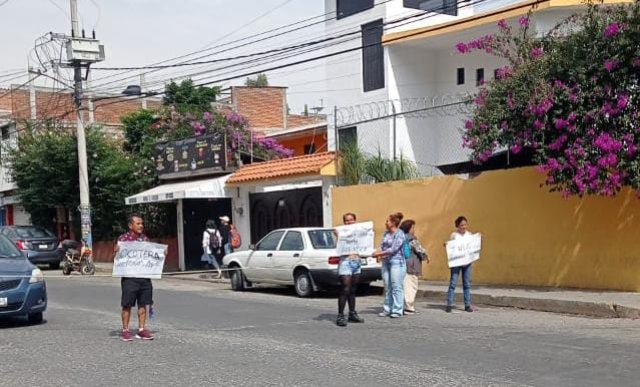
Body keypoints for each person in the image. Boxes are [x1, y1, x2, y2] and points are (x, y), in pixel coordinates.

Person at [115, 214, 165, 342]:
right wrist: (116, 250)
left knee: (143, 304)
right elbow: (117, 256)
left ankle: (141, 330)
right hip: (130, 277)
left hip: (144, 277)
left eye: (142, 223)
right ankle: (125, 330)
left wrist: (161, 253)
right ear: (130, 225)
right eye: (138, 223)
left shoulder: (145, 239)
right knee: (127, 304)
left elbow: (153, 255)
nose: (141, 226)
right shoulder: (123, 239)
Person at [373, 212, 407, 318]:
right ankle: (387, 308)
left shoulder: (400, 234)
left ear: (393, 223)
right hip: (386, 262)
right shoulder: (386, 234)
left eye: (387, 221)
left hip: (397, 262)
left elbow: (393, 249)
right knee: (387, 286)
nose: (385, 223)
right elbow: (382, 246)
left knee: (396, 286)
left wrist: (379, 253)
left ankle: (397, 309)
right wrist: (378, 253)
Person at [335, 212, 365, 327]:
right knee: (345, 288)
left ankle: (352, 313)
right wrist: (338, 235)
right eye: (347, 220)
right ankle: (340, 315)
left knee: (353, 289)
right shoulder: (341, 233)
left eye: (351, 220)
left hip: (356, 261)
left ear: (355, 221)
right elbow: (340, 245)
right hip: (346, 261)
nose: (349, 222)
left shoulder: (359, 233)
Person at [399, 219, 429, 315]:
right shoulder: (411, 239)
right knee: (411, 286)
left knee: (407, 285)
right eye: (412, 228)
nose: (414, 230)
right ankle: (409, 307)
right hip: (412, 264)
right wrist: (426, 255)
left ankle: (409, 306)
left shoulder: (401, 237)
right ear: (408, 228)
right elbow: (419, 250)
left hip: (404, 264)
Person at [445, 216, 474, 313]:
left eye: (465, 224)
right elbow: (451, 246)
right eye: (461, 225)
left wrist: (478, 239)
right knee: (453, 283)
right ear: (457, 226)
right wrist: (447, 245)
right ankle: (449, 304)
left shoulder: (469, 235)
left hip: (466, 262)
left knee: (466, 284)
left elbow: (473, 246)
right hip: (456, 262)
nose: (463, 226)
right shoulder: (454, 235)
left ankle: (467, 305)